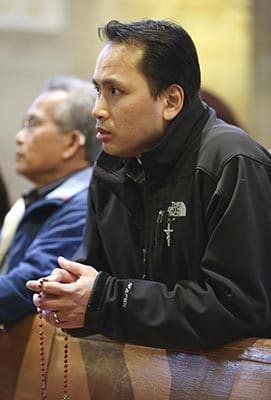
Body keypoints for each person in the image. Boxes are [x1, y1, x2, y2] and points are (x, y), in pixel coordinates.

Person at [27, 19, 271, 349]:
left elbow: (238, 307)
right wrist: (69, 295)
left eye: (115, 91)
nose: (97, 109)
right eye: (98, 90)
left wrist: (104, 300)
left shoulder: (231, 161)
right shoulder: (112, 164)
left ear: (170, 100)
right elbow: (98, 275)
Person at [0, 75, 99, 326]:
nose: (20, 137)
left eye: (33, 124)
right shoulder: (41, 197)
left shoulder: (84, 204)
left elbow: (28, 286)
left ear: (72, 142)